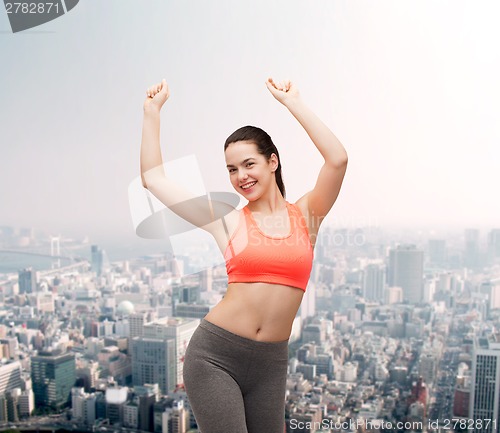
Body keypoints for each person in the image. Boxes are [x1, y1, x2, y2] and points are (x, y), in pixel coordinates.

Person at [140, 77, 348, 433]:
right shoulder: (228, 220)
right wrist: (151, 112)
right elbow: (153, 179)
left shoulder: (307, 216)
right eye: (232, 169)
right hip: (215, 357)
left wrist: (294, 103)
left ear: (273, 162)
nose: (240, 176)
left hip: (271, 364)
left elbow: (337, 159)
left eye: (248, 164)